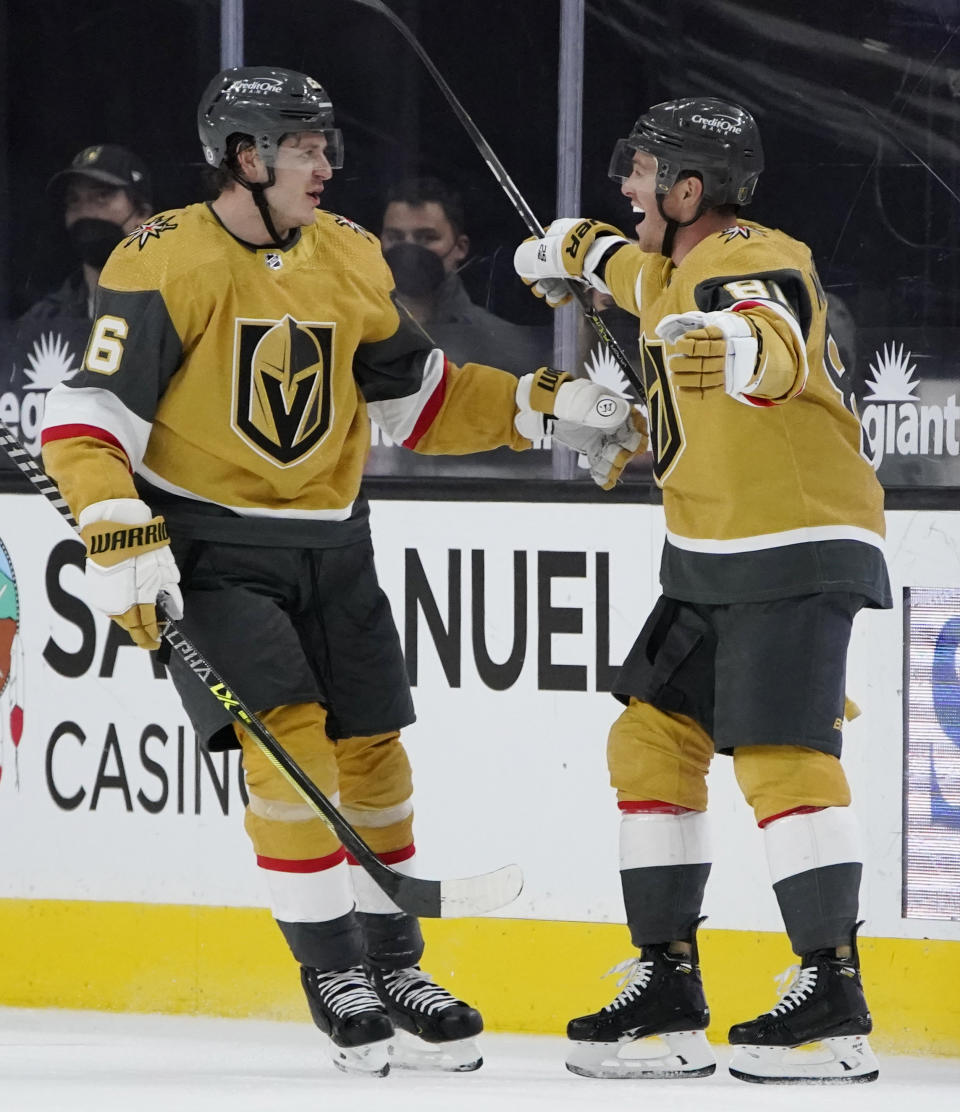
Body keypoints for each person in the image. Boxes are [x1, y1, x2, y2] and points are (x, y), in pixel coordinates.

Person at [39, 67, 645, 1078]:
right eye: (306, 146)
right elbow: (85, 417)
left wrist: (543, 406)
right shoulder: (162, 259)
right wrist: (114, 521)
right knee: (293, 751)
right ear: (245, 156)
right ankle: (335, 971)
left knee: (375, 760)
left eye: (327, 144)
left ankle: (395, 962)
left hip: (336, 540)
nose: (329, 163)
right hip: (215, 551)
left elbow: (420, 399)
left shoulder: (351, 256)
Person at [514, 97, 889, 1084]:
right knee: (651, 737)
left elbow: (769, 332)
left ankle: (832, 1001)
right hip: (712, 555)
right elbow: (622, 274)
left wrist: (738, 347)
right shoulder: (673, 268)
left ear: (690, 189)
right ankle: (669, 983)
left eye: (642, 173)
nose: (627, 185)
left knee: (780, 756)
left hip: (792, 544)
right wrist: (570, 251)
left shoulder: (748, 260)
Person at [380, 176, 549, 375]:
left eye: (427, 237)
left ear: (460, 247)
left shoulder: (507, 347)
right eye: (395, 237)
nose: (408, 249)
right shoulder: (359, 330)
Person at [21, 144, 154, 323]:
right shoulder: (42, 320)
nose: (85, 211)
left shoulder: (176, 308)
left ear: (142, 214)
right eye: (73, 199)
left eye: (102, 196)